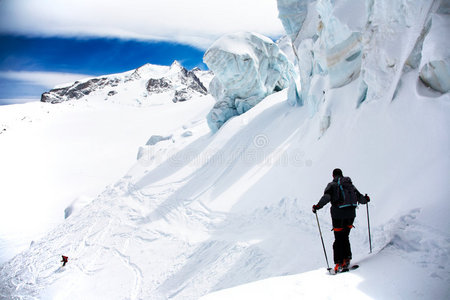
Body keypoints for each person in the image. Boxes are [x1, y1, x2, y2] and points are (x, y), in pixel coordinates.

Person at [312, 168, 370, 272]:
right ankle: (346, 259)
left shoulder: (332, 185)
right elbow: (360, 198)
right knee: (345, 236)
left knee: (338, 238)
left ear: (333, 175)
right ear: (342, 175)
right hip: (351, 216)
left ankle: (339, 263)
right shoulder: (350, 185)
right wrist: (366, 199)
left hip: (338, 216)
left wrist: (317, 206)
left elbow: (326, 197)